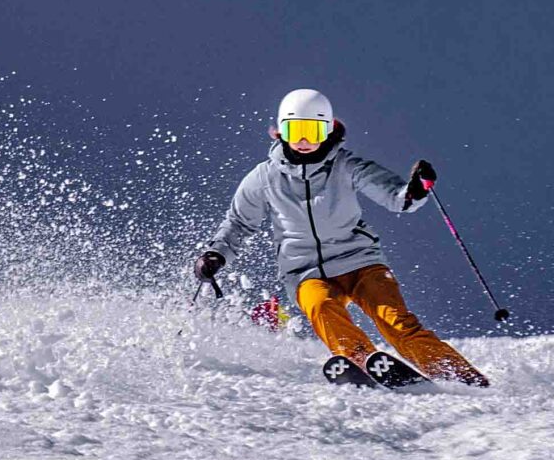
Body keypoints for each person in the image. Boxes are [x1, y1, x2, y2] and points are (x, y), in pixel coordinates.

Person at [194, 88, 488, 386]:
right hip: (304, 271)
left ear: (327, 130)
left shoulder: (346, 166)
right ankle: (362, 362)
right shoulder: (264, 178)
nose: (305, 140)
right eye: (296, 130)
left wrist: (414, 192)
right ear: (280, 131)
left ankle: (462, 377)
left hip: (360, 264)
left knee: (395, 321)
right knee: (322, 308)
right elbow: (239, 224)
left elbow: (396, 197)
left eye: (313, 130)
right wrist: (216, 254)